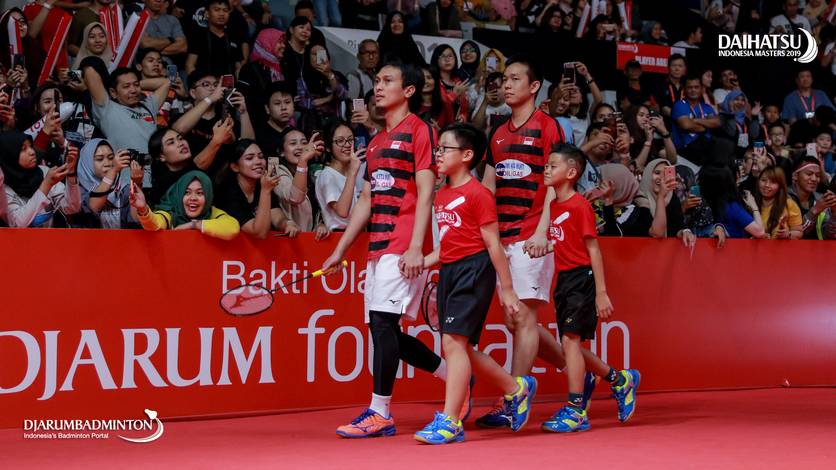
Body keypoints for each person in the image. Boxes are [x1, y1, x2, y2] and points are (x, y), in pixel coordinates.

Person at [321, 61, 454, 438]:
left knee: (382, 324)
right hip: (378, 247)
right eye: (376, 81)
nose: (378, 87)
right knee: (384, 329)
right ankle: (457, 376)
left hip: (403, 243)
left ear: (408, 91)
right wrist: (341, 249)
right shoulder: (377, 141)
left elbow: (426, 191)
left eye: (387, 81)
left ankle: (380, 412)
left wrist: (416, 247)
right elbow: (367, 198)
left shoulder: (420, 130)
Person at [414, 123, 536, 445]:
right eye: (438, 148)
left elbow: (493, 243)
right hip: (450, 271)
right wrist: (419, 262)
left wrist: (507, 289)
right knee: (462, 347)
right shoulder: (442, 195)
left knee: (452, 344)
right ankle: (515, 388)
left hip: (474, 270)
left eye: (445, 148)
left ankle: (450, 420)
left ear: (467, 155)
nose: (438, 154)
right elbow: (446, 245)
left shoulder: (479, 194)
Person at [476, 55, 570, 429]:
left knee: (524, 317)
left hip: (532, 233)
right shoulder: (498, 132)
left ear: (534, 87)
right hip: (502, 236)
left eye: (515, 79)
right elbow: (488, 185)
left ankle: (513, 398)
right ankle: (580, 369)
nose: (506, 84)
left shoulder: (548, 127)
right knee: (516, 320)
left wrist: (543, 230)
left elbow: (557, 182)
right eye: (504, 79)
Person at [539, 143, 640, 433]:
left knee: (570, 342)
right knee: (569, 344)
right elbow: (564, 241)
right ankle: (620, 379)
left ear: (572, 173)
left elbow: (593, 249)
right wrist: (546, 247)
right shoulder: (555, 205)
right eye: (546, 165)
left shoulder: (579, 206)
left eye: (553, 166)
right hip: (564, 279)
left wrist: (601, 292)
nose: (547, 170)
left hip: (581, 278)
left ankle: (575, 409)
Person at [81, 59, 170, 187]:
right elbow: (90, 70)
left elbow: (166, 82)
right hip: (126, 183)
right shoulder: (106, 108)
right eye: (126, 87)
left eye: (136, 85)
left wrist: (132, 84)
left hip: (157, 178)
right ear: (113, 92)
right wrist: (120, 83)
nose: (133, 90)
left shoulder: (148, 105)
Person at [0, 132, 81, 228]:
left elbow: (72, 208)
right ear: (9, 156)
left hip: (51, 236)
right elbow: (17, 223)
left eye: (31, 146)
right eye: (23, 149)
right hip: (19, 238)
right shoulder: (3, 188)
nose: (32, 152)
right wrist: (46, 185)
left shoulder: (43, 172)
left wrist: (71, 173)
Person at [129, 170, 240, 240]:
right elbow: (154, 224)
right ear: (179, 194)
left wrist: (194, 225)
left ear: (208, 195)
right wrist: (143, 209)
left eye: (199, 193)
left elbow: (232, 228)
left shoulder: (212, 212)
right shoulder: (170, 213)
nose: (193, 198)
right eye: (187, 192)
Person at [214, 139, 291, 238]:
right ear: (235, 167)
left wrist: (287, 224)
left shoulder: (261, 185)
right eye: (249, 158)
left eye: (261, 157)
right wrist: (266, 191)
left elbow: (277, 218)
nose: (258, 161)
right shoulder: (227, 193)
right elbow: (259, 233)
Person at [148, 123, 234, 205]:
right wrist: (216, 140)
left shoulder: (200, 167)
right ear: (161, 156)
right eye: (171, 142)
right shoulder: (163, 185)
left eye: (180, 138)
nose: (180, 143)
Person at [274, 129, 329, 238]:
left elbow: (316, 208)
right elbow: (295, 197)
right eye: (293, 143)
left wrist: (320, 225)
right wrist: (302, 161)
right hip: (287, 240)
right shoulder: (276, 172)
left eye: (304, 143)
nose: (300, 147)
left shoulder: (311, 171)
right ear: (281, 152)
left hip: (309, 240)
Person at [77, 138, 142, 228]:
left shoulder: (123, 189)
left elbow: (135, 221)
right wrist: (113, 170)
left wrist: (137, 184)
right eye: (100, 159)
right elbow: (92, 208)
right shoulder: (78, 190)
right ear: (87, 162)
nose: (107, 163)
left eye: (111, 158)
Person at [315, 121, 362, 232]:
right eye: (340, 141)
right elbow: (342, 211)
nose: (347, 145)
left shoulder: (355, 169)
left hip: (356, 233)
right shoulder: (327, 175)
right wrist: (352, 173)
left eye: (350, 140)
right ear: (328, 147)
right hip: (338, 235)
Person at [699, 164, 766, 239]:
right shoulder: (731, 207)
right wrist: (754, 207)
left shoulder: (707, 203)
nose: (739, 177)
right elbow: (760, 232)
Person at [185, 0, 243, 76]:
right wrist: (199, 82)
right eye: (217, 10)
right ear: (207, 14)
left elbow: (238, 67)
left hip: (229, 82)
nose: (221, 14)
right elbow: (189, 65)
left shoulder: (233, 36)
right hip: (204, 81)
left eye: (225, 10)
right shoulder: (198, 36)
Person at [672, 76, 721, 162]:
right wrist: (706, 127)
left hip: (705, 150)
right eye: (690, 87)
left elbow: (717, 123)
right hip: (686, 151)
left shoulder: (706, 107)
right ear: (684, 89)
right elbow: (686, 125)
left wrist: (696, 120)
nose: (693, 90)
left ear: (701, 89)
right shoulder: (679, 105)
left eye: (696, 87)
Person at [790, 156, 836, 239]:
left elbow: (828, 236)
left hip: (817, 247)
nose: (814, 179)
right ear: (795, 176)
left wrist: (834, 214)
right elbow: (795, 235)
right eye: (809, 174)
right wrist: (815, 210)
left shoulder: (820, 198)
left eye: (818, 175)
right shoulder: (783, 198)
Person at [754, 166, 803, 239]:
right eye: (763, 180)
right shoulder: (751, 202)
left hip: (782, 246)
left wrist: (787, 234)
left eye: (773, 182)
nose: (767, 185)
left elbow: (799, 233)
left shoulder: (789, 204)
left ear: (780, 186)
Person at [255, 81, 296, 158]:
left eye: (287, 102)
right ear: (267, 108)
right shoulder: (258, 136)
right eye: (277, 103)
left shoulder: (297, 133)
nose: (283, 107)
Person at [141, 0, 188, 65]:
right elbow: (145, 44)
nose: (158, 0)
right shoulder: (136, 18)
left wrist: (152, 48)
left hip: (169, 68)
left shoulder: (173, 20)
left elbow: (182, 47)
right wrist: (170, 40)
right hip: (146, 68)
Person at [653, 54, 686, 118]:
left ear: (684, 69)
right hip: (666, 121)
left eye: (680, 66)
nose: (677, 69)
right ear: (668, 67)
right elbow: (663, 109)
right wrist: (681, 118)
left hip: (686, 120)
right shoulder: (661, 85)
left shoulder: (687, 86)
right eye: (674, 66)